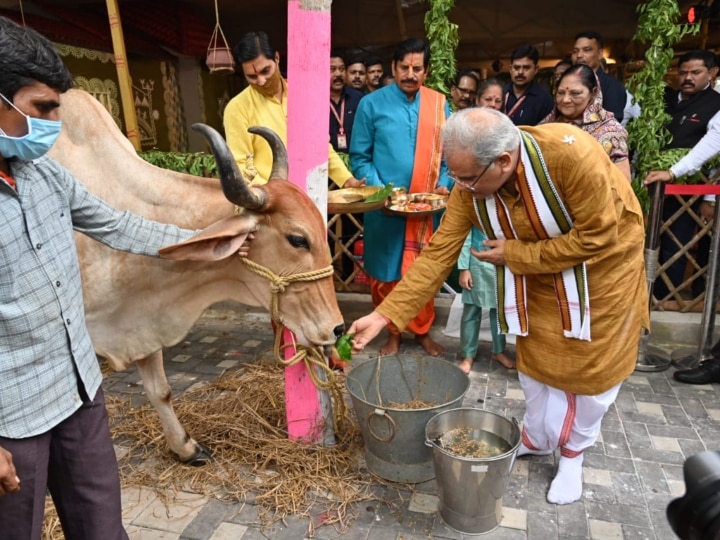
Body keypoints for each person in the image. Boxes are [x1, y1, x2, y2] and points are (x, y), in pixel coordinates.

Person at [0, 17, 234, 539]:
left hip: (79, 389)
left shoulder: (45, 174)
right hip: (10, 418)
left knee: (102, 527)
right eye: (41, 109)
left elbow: (118, 223)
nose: (53, 126)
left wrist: (204, 242)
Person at [348, 107, 648, 505]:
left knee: (591, 374)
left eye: (468, 178)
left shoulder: (573, 156)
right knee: (536, 363)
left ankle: (573, 453)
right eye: (453, 175)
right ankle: (536, 437)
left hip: (600, 275)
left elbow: (598, 238)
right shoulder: (470, 184)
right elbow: (439, 254)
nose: (461, 187)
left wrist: (517, 254)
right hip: (535, 273)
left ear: (504, 161)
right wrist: (383, 315)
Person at [350, 38, 453, 357]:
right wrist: (385, 194)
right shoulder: (371, 104)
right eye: (404, 67)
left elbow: (449, 157)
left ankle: (421, 331)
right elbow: (360, 157)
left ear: (426, 71)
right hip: (385, 210)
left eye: (417, 68)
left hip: (425, 209)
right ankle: (392, 332)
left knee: (423, 273)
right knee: (385, 274)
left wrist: (445, 183)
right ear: (393, 68)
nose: (411, 73)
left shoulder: (439, 103)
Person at [223, 31, 363, 188]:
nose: (261, 81)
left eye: (265, 71)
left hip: (309, 196)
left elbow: (320, 147)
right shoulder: (237, 108)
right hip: (267, 204)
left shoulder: (303, 95)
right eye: (252, 77)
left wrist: (346, 180)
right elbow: (239, 165)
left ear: (276, 58)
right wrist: (275, 196)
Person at [644, 50, 720, 304]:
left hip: (689, 189)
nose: (688, 78)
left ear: (712, 73)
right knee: (646, 242)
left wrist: (709, 196)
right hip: (651, 186)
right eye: (683, 72)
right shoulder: (662, 100)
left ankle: (666, 300)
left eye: (695, 72)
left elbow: (714, 150)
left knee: (676, 245)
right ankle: (643, 297)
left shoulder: (715, 104)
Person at [541, 64, 631, 181]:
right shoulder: (547, 127)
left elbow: (622, 184)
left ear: (593, 93)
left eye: (575, 93)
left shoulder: (611, 132)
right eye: (561, 93)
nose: (565, 100)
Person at [457, 227, 515, 373]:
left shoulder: (505, 206)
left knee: (499, 312)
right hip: (476, 264)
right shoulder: (472, 205)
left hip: (502, 264)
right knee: (471, 312)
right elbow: (464, 236)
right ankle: (468, 355)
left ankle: (499, 351)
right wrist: (464, 268)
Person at [572, 31, 627, 123]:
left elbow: (612, 124)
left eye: (587, 50)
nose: (579, 55)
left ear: (600, 54)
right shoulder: (568, 83)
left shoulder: (612, 86)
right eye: (575, 51)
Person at [501, 45, 554, 126]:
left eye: (526, 68)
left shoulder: (545, 100)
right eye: (516, 67)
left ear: (536, 69)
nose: (520, 72)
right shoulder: (500, 93)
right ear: (510, 69)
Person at [329, 50, 364, 153]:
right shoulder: (316, 100)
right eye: (332, 69)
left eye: (342, 69)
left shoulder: (358, 99)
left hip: (354, 158)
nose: (338, 74)